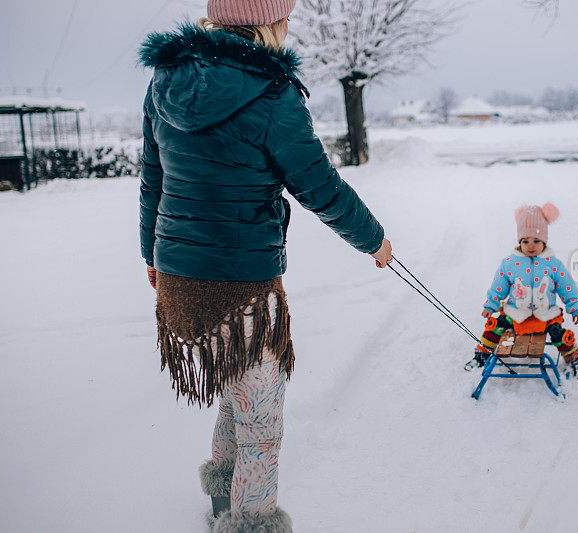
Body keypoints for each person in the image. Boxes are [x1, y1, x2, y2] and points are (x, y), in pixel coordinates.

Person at [138, 1, 392, 531]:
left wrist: (151, 256)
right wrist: (373, 240)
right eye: (285, 17)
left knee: (237, 388)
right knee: (261, 417)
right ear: (267, 21)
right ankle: (251, 521)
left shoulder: (165, 81)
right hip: (243, 285)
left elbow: (152, 179)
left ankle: (221, 496)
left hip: (178, 277)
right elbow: (319, 186)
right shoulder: (274, 95)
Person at [464, 203, 578, 381]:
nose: (531, 246)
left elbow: (566, 286)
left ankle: (575, 359)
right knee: (496, 326)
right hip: (515, 313)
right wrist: (491, 304)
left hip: (545, 314)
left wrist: (574, 306)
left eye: (536, 241)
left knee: (558, 333)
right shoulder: (509, 263)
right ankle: (482, 354)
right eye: (525, 241)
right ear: (519, 241)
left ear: (544, 241)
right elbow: (498, 286)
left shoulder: (553, 264)